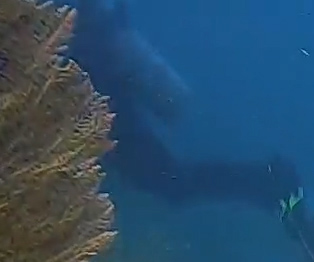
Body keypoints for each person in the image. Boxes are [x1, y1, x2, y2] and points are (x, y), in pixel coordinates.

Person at [64, 0, 301, 211]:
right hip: (100, 94)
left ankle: (267, 180)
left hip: (102, 102)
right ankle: (265, 180)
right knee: (171, 181)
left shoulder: (85, 31)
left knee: (171, 181)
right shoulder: (92, 24)